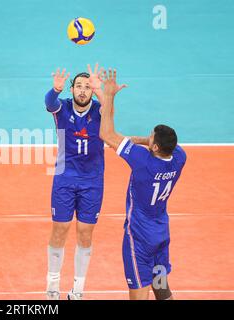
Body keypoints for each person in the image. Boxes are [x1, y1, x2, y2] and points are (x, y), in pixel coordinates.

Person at [99, 69, 186, 300]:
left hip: (139, 239)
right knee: (161, 286)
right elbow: (162, 147)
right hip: (160, 235)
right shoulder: (179, 158)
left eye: (151, 137)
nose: (148, 138)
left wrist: (109, 96)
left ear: (154, 147)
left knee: (139, 291)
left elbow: (106, 134)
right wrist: (142, 141)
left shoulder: (142, 162)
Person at [45, 64, 105, 300]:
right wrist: (55, 89)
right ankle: (52, 288)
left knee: (85, 234)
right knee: (59, 230)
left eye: (87, 87)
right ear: (71, 90)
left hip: (92, 181)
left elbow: (110, 108)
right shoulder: (62, 108)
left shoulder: (100, 111)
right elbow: (50, 103)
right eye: (78, 86)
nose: (83, 90)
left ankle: (78, 290)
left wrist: (101, 91)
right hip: (65, 179)